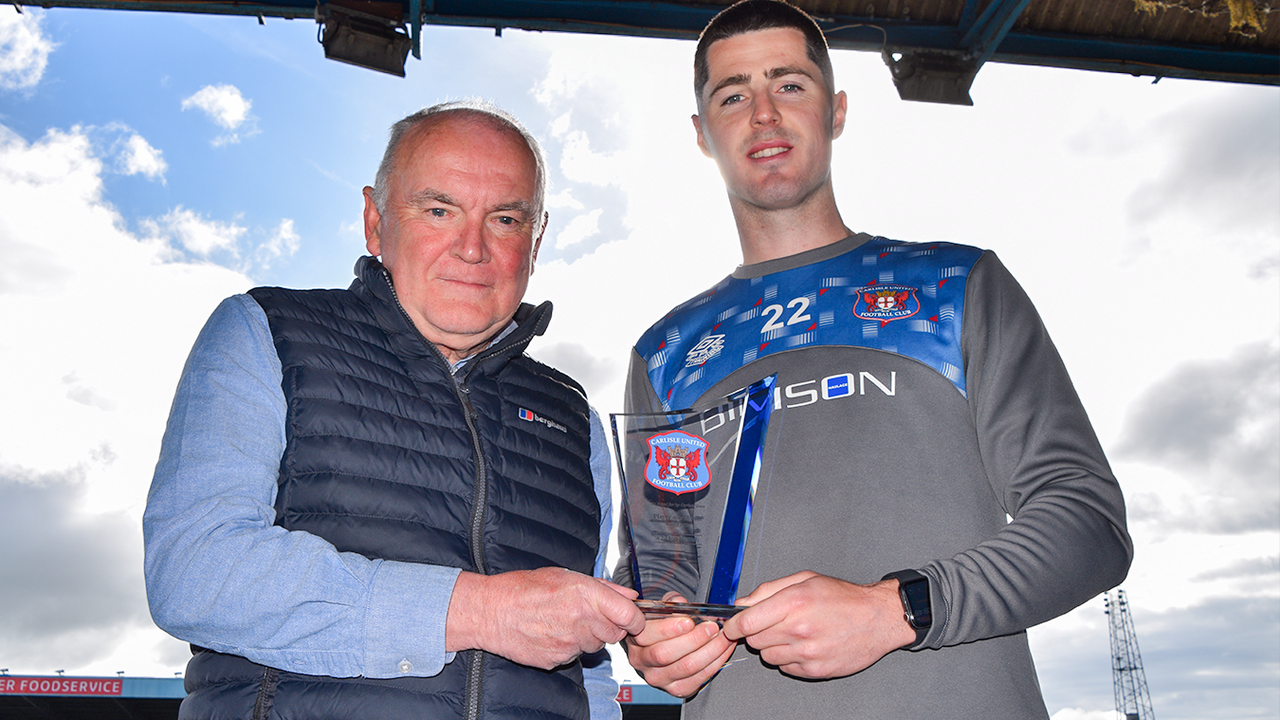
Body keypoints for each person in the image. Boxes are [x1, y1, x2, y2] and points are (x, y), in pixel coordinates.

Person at [617, 2, 1133, 717]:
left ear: (836, 111)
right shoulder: (667, 352)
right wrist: (650, 633)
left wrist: (899, 609)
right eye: (732, 95)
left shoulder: (956, 287)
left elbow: (1088, 523)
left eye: (789, 84)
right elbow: (658, 567)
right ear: (703, 133)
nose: (763, 113)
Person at [143, 100, 644, 720]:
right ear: (375, 222)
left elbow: (589, 670)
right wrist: (478, 611)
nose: (473, 248)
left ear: (535, 240)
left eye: (505, 219)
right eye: (439, 210)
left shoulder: (574, 417)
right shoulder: (264, 330)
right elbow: (195, 570)